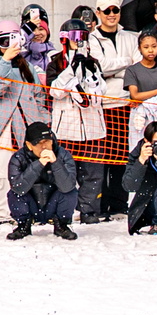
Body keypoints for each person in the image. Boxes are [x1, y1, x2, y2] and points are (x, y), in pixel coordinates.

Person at [0, 19, 48, 228]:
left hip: (26, 125)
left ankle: (27, 211)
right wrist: (5, 61)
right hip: (2, 127)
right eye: (3, 41)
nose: (8, 45)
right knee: (1, 170)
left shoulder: (28, 66)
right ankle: (1, 213)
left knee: (28, 170)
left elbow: (38, 95)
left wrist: (43, 121)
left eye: (12, 40)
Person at [47, 18, 108, 226]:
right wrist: (71, 69)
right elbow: (54, 91)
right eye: (74, 37)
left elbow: (101, 92)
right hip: (66, 128)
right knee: (64, 172)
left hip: (92, 127)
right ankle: (62, 210)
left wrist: (87, 69)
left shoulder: (93, 62)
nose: (78, 41)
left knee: (92, 172)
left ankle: (89, 210)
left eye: (83, 36)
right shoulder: (55, 62)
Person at [89, 0, 141, 219]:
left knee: (121, 155)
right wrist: (125, 64)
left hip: (124, 103)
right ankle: (100, 204)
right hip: (102, 104)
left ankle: (119, 204)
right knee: (101, 156)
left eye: (115, 10)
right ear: (98, 12)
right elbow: (98, 66)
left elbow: (138, 65)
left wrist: (117, 69)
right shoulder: (91, 38)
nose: (112, 15)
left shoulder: (130, 37)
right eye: (107, 10)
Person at [6, 120, 78, 240]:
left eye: (47, 142)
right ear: (29, 145)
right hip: (31, 203)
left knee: (70, 191)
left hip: (54, 203)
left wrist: (55, 163)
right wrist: (39, 164)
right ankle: (23, 225)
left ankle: (62, 225)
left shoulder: (63, 155)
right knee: (15, 193)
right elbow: (18, 187)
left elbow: (68, 186)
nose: (44, 146)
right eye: (39, 143)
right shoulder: (18, 158)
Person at [124, 31, 157, 148]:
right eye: (146, 47)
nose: (151, 50)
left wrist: (145, 98)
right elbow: (135, 95)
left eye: (154, 46)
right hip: (139, 118)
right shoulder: (132, 70)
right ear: (139, 49)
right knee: (138, 148)